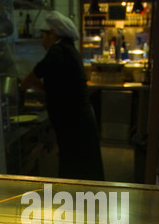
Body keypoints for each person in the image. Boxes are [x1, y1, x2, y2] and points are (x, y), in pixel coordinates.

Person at [20, 11, 104, 181]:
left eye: (44, 37)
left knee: (75, 168)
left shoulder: (57, 51)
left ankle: (78, 202)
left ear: (53, 34)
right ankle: (86, 202)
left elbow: (33, 76)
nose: (43, 43)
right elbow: (56, 86)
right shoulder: (68, 50)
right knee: (84, 167)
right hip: (78, 121)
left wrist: (21, 86)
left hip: (74, 123)